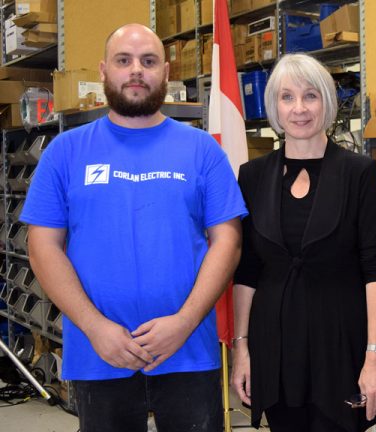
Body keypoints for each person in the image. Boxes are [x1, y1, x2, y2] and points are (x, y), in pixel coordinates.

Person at [21, 24, 247, 432]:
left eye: (148, 61)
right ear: (105, 72)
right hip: (99, 354)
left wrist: (184, 322)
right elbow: (42, 248)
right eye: (124, 61)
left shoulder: (202, 150)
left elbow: (227, 242)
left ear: (166, 71)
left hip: (187, 351)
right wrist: (96, 327)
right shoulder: (65, 153)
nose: (136, 71)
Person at [229, 53, 376, 432]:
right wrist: (242, 348)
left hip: (340, 347)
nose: (299, 108)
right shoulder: (252, 176)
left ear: (327, 103)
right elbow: (247, 271)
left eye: (310, 96)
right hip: (274, 348)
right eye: (287, 97)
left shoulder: (359, 173)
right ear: (274, 106)